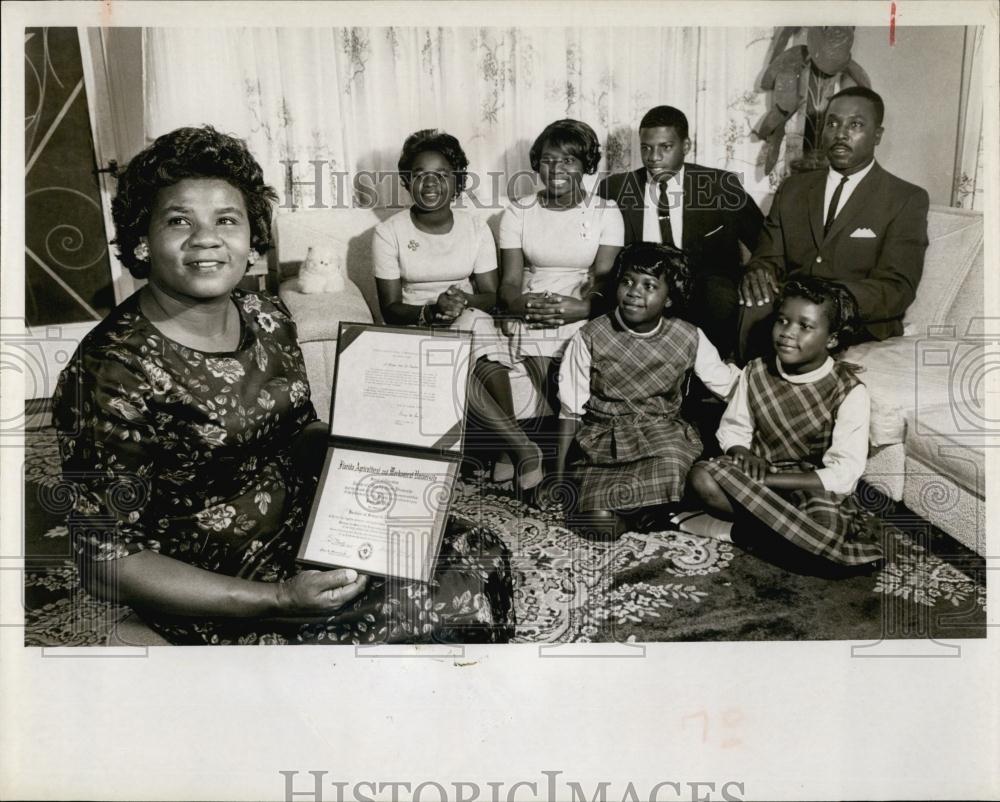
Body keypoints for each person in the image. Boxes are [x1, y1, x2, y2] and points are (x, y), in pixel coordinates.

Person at [52, 125, 515, 645]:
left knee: (478, 552)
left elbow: (297, 433)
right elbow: (105, 562)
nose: (206, 238)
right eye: (179, 220)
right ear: (142, 239)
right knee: (441, 605)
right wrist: (281, 597)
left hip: (307, 523)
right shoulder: (110, 368)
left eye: (227, 220)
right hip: (216, 577)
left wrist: (374, 450)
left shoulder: (268, 316)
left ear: (252, 241)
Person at [374, 129, 541, 490]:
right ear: (407, 181)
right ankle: (518, 447)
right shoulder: (389, 233)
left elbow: (491, 296)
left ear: (457, 181)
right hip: (417, 327)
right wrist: (432, 311)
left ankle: (502, 451)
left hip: (468, 320)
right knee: (460, 340)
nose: (430, 183)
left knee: (475, 323)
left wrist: (460, 303)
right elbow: (390, 308)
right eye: (419, 174)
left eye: (441, 174)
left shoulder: (475, 227)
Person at [686, 277, 884, 568]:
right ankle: (792, 541)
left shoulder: (849, 391)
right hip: (754, 471)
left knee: (826, 529)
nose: (787, 333)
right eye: (783, 321)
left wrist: (768, 481)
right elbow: (734, 428)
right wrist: (742, 453)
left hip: (807, 483)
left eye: (804, 326)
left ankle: (738, 532)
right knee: (702, 478)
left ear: (831, 339)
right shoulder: (755, 370)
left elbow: (843, 474)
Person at [554, 243, 740, 538]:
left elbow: (729, 388)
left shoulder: (688, 335)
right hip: (603, 443)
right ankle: (651, 516)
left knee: (676, 463)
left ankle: (658, 509)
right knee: (599, 525)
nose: (634, 292)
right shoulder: (590, 336)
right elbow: (570, 410)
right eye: (627, 281)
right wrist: (560, 477)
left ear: (669, 299)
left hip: (661, 437)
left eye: (649, 285)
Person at [738, 86, 930, 362]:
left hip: (855, 318)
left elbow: (897, 286)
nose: (841, 133)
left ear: (877, 135)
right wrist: (758, 269)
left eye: (855, 124)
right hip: (793, 312)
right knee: (755, 303)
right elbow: (769, 255)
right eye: (832, 123)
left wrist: (832, 302)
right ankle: (751, 394)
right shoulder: (794, 189)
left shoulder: (905, 198)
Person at [596, 105, 763, 359]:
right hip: (644, 285)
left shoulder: (721, 187)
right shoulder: (616, 188)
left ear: (686, 146)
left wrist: (757, 269)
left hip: (706, 290)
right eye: (646, 147)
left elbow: (766, 241)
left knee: (718, 295)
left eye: (665, 147)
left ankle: (704, 383)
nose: (653, 157)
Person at [498, 118, 624, 445]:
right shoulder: (517, 212)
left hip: (584, 296)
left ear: (586, 165)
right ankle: (569, 431)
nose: (556, 169)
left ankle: (573, 433)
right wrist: (517, 304)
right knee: (535, 324)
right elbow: (510, 281)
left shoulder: (606, 211)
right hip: (535, 296)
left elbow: (605, 278)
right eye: (548, 160)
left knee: (575, 329)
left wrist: (583, 307)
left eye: (568, 160)